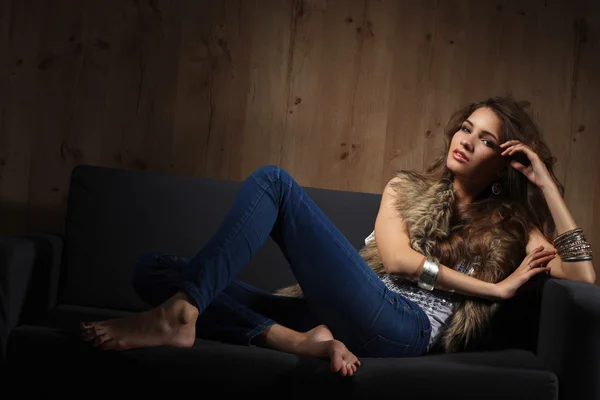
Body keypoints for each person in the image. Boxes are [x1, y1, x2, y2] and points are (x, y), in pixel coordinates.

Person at [81, 96, 595, 377]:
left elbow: (584, 281)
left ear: (504, 161)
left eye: (487, 140)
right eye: (466, 128)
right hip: (340, 313)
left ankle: (181, 316)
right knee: (155, 268)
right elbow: (395, 261)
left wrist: (545, 185)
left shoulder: (513, 227)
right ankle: (294, 341)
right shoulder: (404, 187)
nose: (467, 141)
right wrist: (495, 289)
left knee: (274, 183)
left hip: (403, 330)